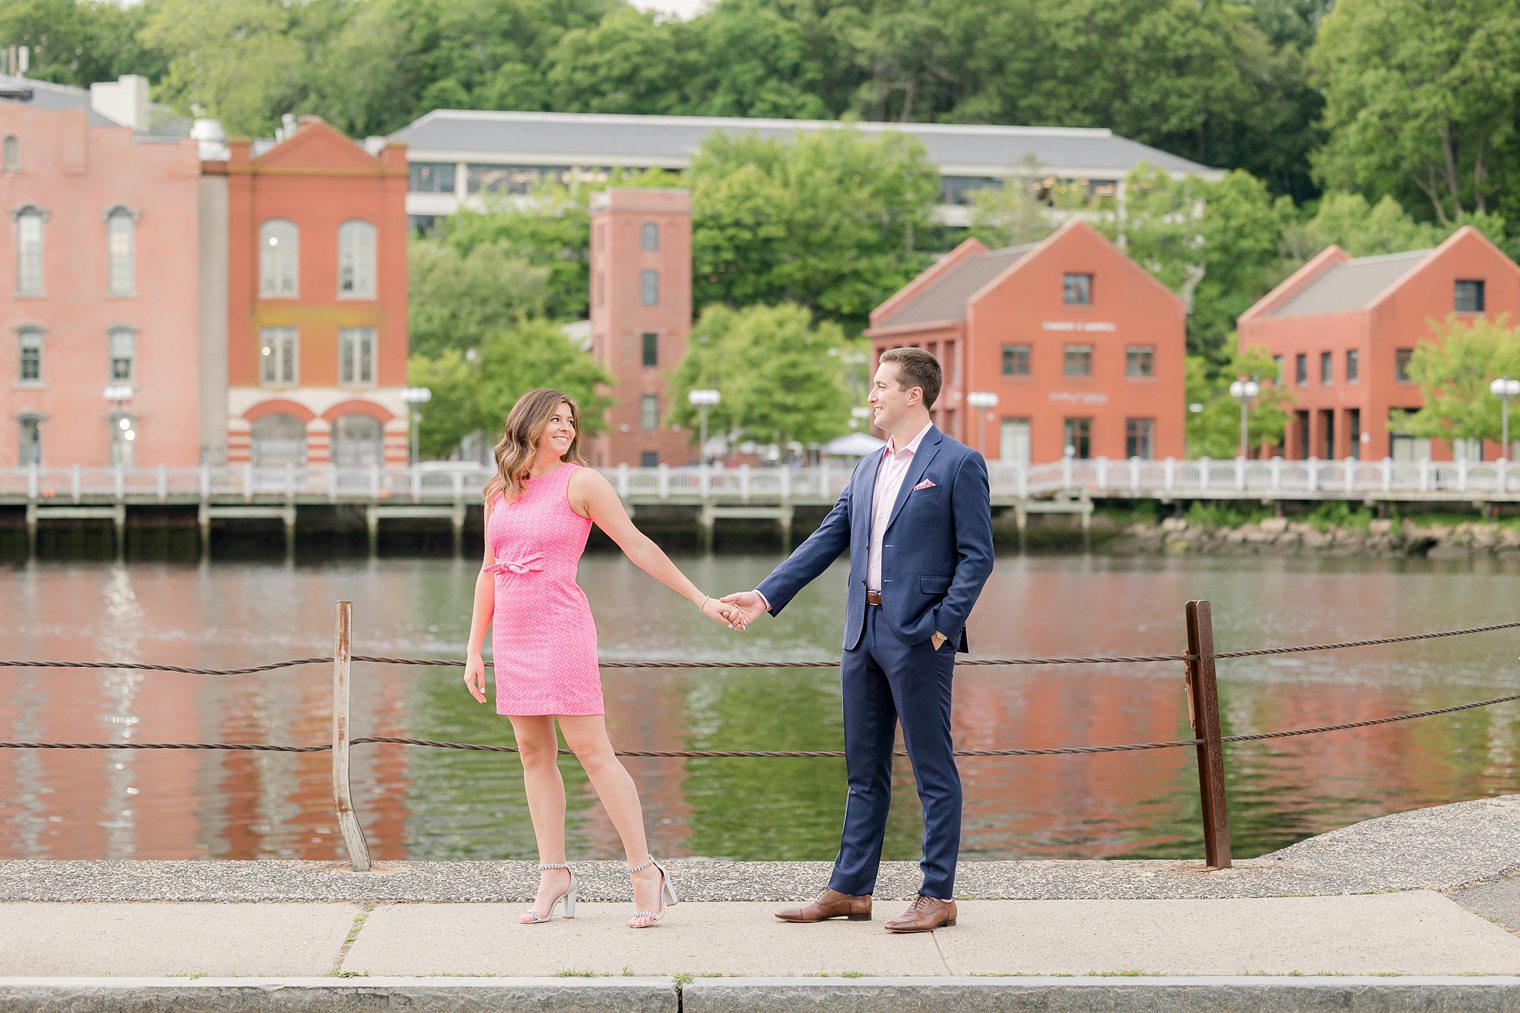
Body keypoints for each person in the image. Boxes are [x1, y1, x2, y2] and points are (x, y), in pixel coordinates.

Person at [721, 347, 994, 933]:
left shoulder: (958, 464)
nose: (871, 396)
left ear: (912, 394)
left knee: (932, 768)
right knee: (863, 772)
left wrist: (943, 626)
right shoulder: (867, 467)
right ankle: (850, 890)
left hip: (920, 638)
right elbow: (825, 540)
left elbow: (978, 557)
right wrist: (765, 595)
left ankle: (938, 894)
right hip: (861, 633)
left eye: (880, 386)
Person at [463, 387, 737, 929]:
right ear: (528, 423)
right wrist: (474, 647)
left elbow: (637, 546)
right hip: (512, 635)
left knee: (592, 751)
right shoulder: (499, 490)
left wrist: (701, 599)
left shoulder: (582, 482)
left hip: (562, 629)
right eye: (556, 420)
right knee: (531, 753)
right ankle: (553, 873)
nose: (566, 428)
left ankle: (644, 870)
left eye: (571, 421)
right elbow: (489, 570)